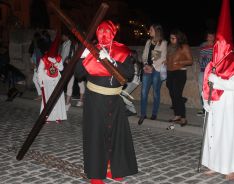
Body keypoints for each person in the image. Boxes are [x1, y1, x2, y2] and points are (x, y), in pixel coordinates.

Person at [74, 20, 138, 184]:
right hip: (95, 101)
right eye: (100, 30)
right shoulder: (91, 50)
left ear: (113, 32)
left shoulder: (122, 50)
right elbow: (78, 74)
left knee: (115, 135)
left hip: (114, 101)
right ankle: (96, 174)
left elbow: (129, 75)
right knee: (96, 136)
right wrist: (82, 57)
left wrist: (111, 60)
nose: (103, 34)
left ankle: (115, 169)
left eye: (106, 31)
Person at [201, 0, 234, 180]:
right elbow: (205, 85)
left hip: (229, 105)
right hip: (215, 105)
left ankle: (230, 167)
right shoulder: (212, 64)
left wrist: (219, 82)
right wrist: (205, 101)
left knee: (227, 134)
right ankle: (214, 164)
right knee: (212, 134)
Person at [138, 23, 167, 125]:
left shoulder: (163, 43)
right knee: (143, 92)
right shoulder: (148, 42)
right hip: (147, 68)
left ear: (156, 31)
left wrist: (152, 67)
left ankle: (154, 113)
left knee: (155, 92)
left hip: (157, 70)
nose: (149, 31)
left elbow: (163, 57)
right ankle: (143, 114)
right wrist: (145, 64)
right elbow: (144, 55)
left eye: (151, 29)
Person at [165, 29, 193, 129]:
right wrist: (166, 61)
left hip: (180, 72)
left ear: (178, 38)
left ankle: (183, 118)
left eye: (173, 38)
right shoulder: (169, 47)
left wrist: (179, 62)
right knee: (173, 94)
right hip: (170, 72)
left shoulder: (184, 47)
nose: (171, 40)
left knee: (176, 94)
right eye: (170, 38)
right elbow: (168, 58)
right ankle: (177, 114)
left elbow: (190, 61)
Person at [37, 31, 67, 123]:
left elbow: (61, 68)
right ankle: (47, 117)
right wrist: (41, 82)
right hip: (47, 81)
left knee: (57, 99)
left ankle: (58, 116)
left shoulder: (58, 58)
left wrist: (56, 63)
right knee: (48, 100)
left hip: (56, 80)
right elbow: (39, 71)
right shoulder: (44, 59)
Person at [196, 30, 215, 116]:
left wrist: (209, 58)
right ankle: (203, 108)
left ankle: (211, 110)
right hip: (202, 71)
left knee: (211, 90)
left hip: (212, 72)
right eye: (209, 36)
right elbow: (199, 58)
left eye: (212, 36)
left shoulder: (216, 46)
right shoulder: (202, 46)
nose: (210, 37)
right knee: (201, 90)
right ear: (206, 37)